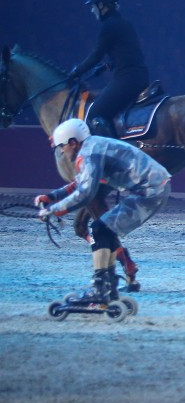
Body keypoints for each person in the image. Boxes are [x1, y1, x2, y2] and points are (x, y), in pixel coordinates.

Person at [35, 118, 171, 303]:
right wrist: (52, 196)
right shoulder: (92, 146)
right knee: (103, 229)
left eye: (62, 146)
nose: (61, 151)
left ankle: (100, 289)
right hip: (154, 188)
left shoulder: (90, 154)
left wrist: (54, 210)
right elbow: (82, 182)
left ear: (73, 143)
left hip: (151, 192)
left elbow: (86, 193)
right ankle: (108, 287)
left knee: (99, 229)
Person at [67, 0, 150, 139]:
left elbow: (95, 55)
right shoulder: (124, 23)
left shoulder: (109, 26)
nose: (92, 11)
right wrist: (107, 66)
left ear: (101, 5)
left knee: (95, 114)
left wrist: (76, 72)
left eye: (93, 6)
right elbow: (128, 53)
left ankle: (113, 152)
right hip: (138, 76)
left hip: (127, 79)